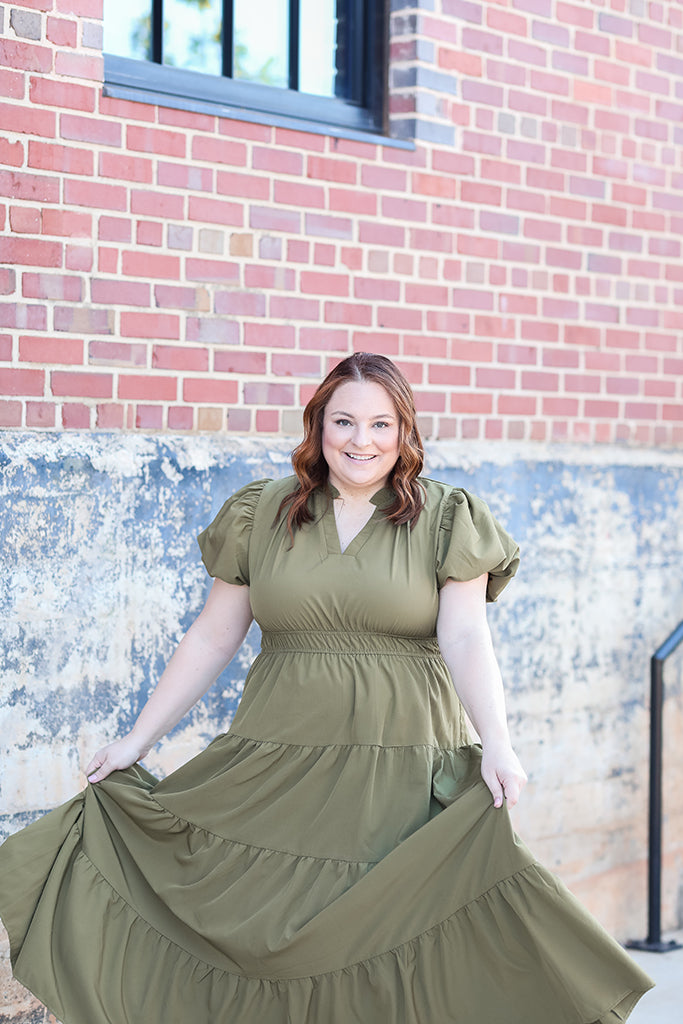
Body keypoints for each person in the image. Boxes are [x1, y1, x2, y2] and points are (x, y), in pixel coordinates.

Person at [0, 352, 652, 1024]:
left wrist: (498, 745)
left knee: (382, 945)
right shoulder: (264, 512)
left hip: (397, 765)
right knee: (263, 941)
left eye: (379, 423)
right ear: (318, 426)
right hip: (276, 760)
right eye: (343, 421)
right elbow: (212, 637)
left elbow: (465, 638)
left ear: (404, 431)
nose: (360, 440)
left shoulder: (447, 518)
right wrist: (136, 741)